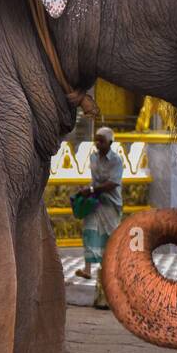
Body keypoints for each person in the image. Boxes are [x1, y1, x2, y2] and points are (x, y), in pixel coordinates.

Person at [76, 127, 124, 305]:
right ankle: (88, 268)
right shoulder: (93, 157)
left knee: (109, 239)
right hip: (95, 202)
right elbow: (94, 181)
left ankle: (111, 272)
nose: (97, 143)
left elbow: (113, 183)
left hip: (111, 204)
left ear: (110, 143)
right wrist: (85, 192)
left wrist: (91, 190)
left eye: (101, 140)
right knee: (89, 232)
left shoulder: (116, 161)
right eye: (96, 140)